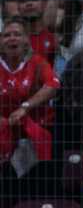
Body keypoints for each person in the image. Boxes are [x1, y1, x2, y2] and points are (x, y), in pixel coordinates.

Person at [0, 17, 59, 164]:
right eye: (7, 35)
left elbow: (52, 86)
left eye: (17, 34)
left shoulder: (37, 62)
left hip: (32, 125)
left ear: (26, 40)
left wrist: (25, 107)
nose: (12, 38)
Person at [15, 0, 57, 65]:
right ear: (18, 8)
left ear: (44, 3)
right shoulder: (11, 40)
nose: (29, 3)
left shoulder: (54, 40)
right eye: (23, 1)